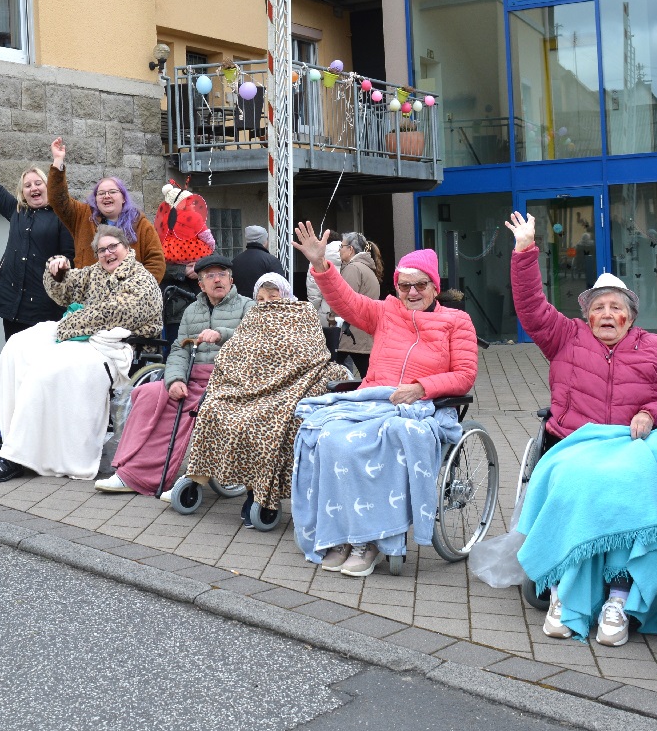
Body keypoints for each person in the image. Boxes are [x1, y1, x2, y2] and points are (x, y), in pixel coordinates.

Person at [491, 209, 657, 647]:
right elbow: (530, 307)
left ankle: (618, 599)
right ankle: (565, 593)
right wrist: (525, 251)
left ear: (631, 317)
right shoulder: (565, 337)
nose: (607, 314)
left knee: (630, 490)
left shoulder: (655, 348)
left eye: (616, 308)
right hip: (574, 444)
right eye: (598, 307)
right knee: (577, 484)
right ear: (586, 316)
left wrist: (652, 412)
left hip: (628, 448)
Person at [290, 223, 480, 578]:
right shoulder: (386, 312)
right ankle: (341, 533)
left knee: (384, 441)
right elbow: (346, 301)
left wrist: (421, 387)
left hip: (422, 407)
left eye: (420, 284)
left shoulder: (457, 322)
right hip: (373, 401)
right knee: (326, 437)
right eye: (404, 285)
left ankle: (372, 540)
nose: (412, 292)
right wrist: (320, 265)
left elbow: (464, 375)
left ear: (434, 287)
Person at [0, 226, 162, 483]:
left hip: (116, 347)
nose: (108, 253)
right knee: (17, 347)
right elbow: (65, 291)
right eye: (102, 250)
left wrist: (70, 324)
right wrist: (57, 272)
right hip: (83, 335)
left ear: (126, 248)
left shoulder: (141, 279)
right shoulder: (95, 273)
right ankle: (14, 438)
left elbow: (119, 312)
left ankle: (17, 456)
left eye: (113, 247)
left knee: (45, 371)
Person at [181, 272, 348, 515]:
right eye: (260, 299)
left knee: (264, 421)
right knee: (212, 408)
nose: (267, 303)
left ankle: (258, 490)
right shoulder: (253, 316)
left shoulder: (303, 313)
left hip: (289, 386)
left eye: (273, 297)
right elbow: (237, 349)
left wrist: (270, 367)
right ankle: (200, 475)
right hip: (249, 386)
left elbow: (308, 354)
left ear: (286, 295)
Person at [96, 254, 249, 496]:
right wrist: (175, 379)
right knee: (146, 393)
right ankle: (129, 472)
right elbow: (179, 349)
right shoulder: (192, 310)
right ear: (201, 284)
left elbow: (254, 340)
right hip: (191, 377)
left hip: (228, 380)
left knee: (191, 410)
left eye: (222, 274)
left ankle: (158, 477)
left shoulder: (247, 306)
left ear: (231, 280)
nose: (217, 280)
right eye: (210, 276)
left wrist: (222, 334)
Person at [0, 143, 76, 452]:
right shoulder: (17, 212)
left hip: (43, 306)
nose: (33, 188)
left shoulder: (61, 217)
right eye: (28, 185)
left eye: (38, 183)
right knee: (12, 366)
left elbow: (69, 256)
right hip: (13, 304)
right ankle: (1, 429)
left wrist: (62, 265)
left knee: (36, 370)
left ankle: (31, 433)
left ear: (47, 186)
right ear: (23, 192)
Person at [46, 137, 165, 281]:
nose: (106, 196)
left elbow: (156, 262)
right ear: (95, 199)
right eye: (101, 193)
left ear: (123, 198)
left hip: (127, 294)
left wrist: (137, 289)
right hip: (89, 292)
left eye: (112, 192)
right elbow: (58, 199)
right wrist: (58, 160)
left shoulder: (140, 224)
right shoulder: (82, 216)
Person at [334, 231, 382, 373]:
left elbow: (343, 301)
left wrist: (332, 319)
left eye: (341, 246)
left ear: (350, 249)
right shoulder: (366, 268)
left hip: (353, 332)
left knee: (330, 373)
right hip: (363, 331)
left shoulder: (353, 268)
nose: (339, 250)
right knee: (368, 375)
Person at [230, 224, 285, 295]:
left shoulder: (235, 261)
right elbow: (282, 287)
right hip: (264, 301)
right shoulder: (271, 261)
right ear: (264, 240)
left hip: (240, 302)